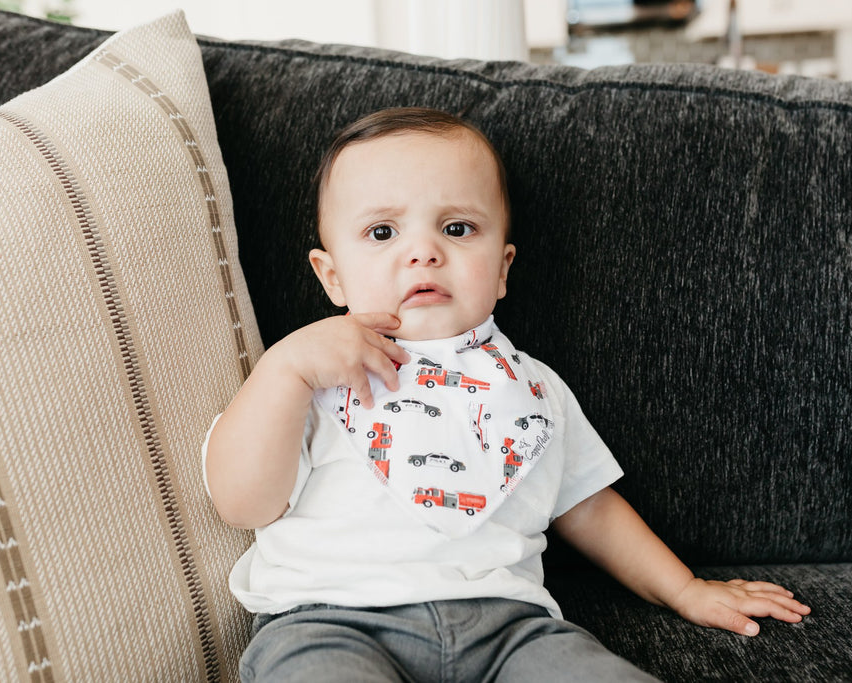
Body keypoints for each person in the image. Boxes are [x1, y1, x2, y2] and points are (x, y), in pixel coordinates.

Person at [203, 107, 810, 682]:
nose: (424, 251)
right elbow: (245, 502)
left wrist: (684, 589)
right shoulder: (306, 376)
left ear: (501, 267)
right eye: (382, 231)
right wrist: (284, 370)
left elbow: (588, 506)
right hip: (329, 622)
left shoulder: (535, 388)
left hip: (507, 627)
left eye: (458, 228)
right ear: (331, 275)